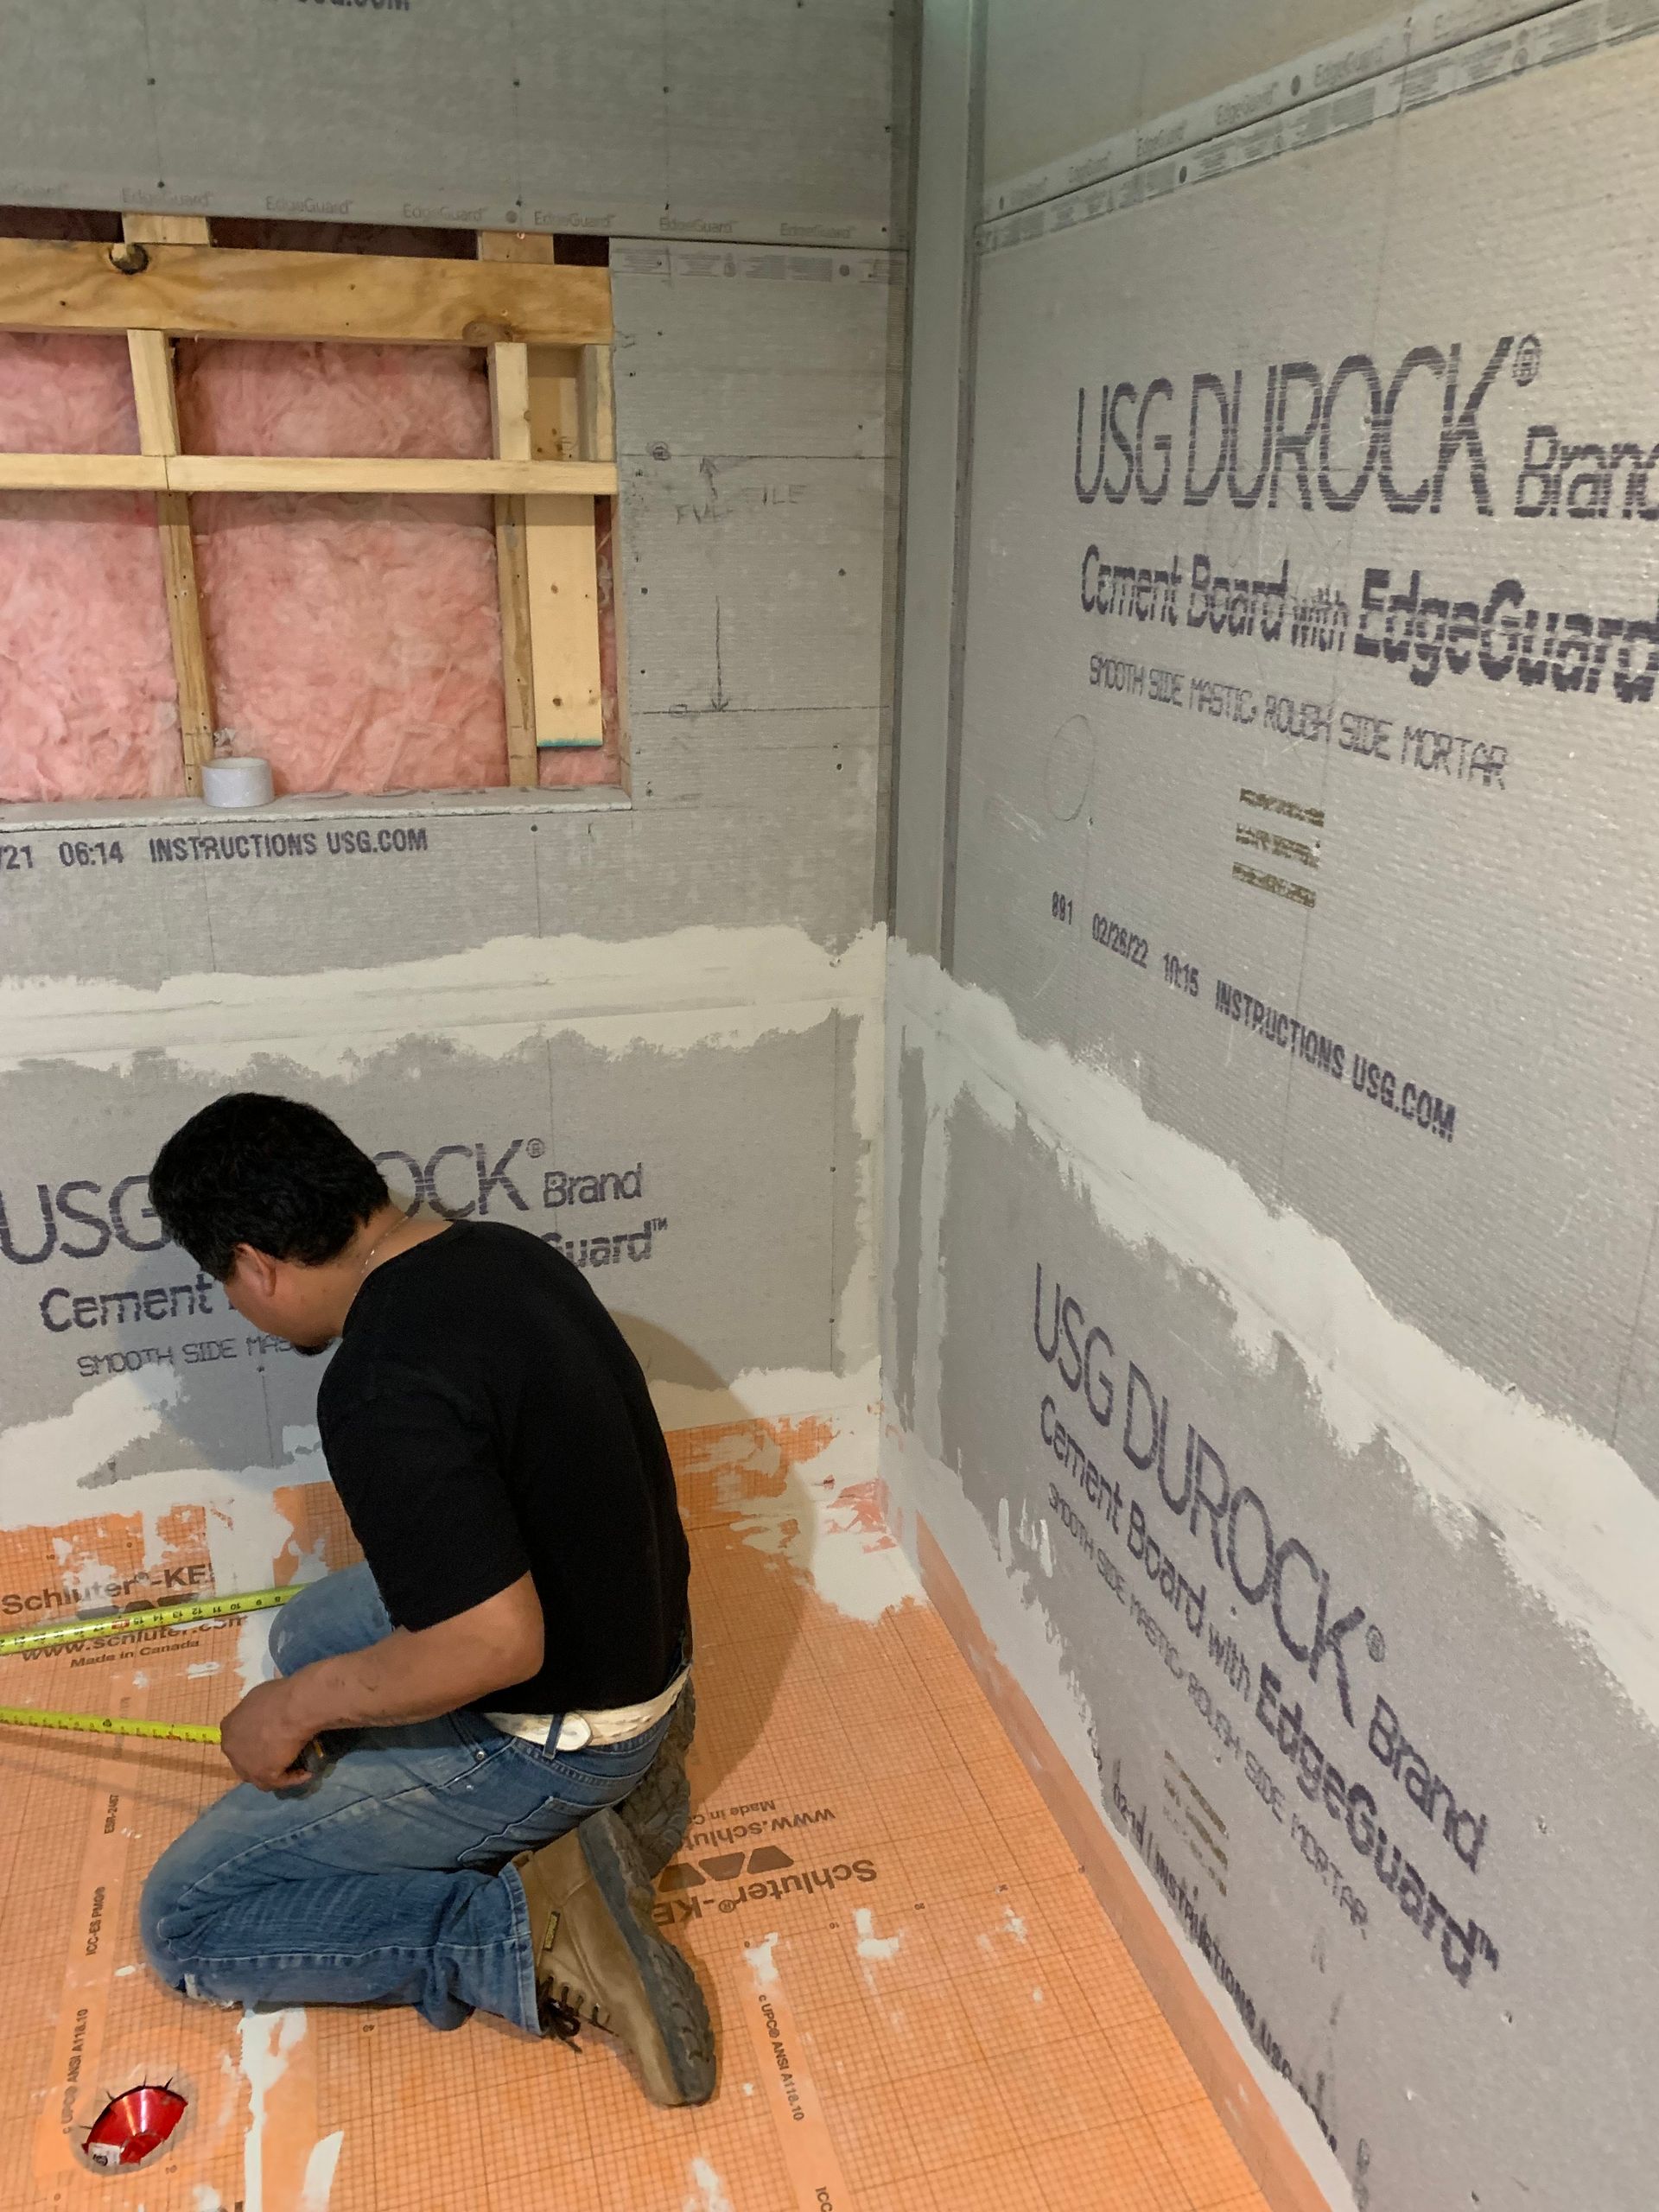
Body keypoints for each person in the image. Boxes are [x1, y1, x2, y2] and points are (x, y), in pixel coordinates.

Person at [138, 1092, 713, 2108]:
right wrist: (314, 1675)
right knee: (303, 1632)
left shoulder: (377, 1382)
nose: (241, 1307)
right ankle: (615, 1788)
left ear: (257, 1263)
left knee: (187, 1921)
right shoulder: (500, 1252)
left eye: (227, 1283)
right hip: (641, 1636)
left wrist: (296, 1707)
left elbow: (492, 1641)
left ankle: (515, 1931)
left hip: (562, 1723)